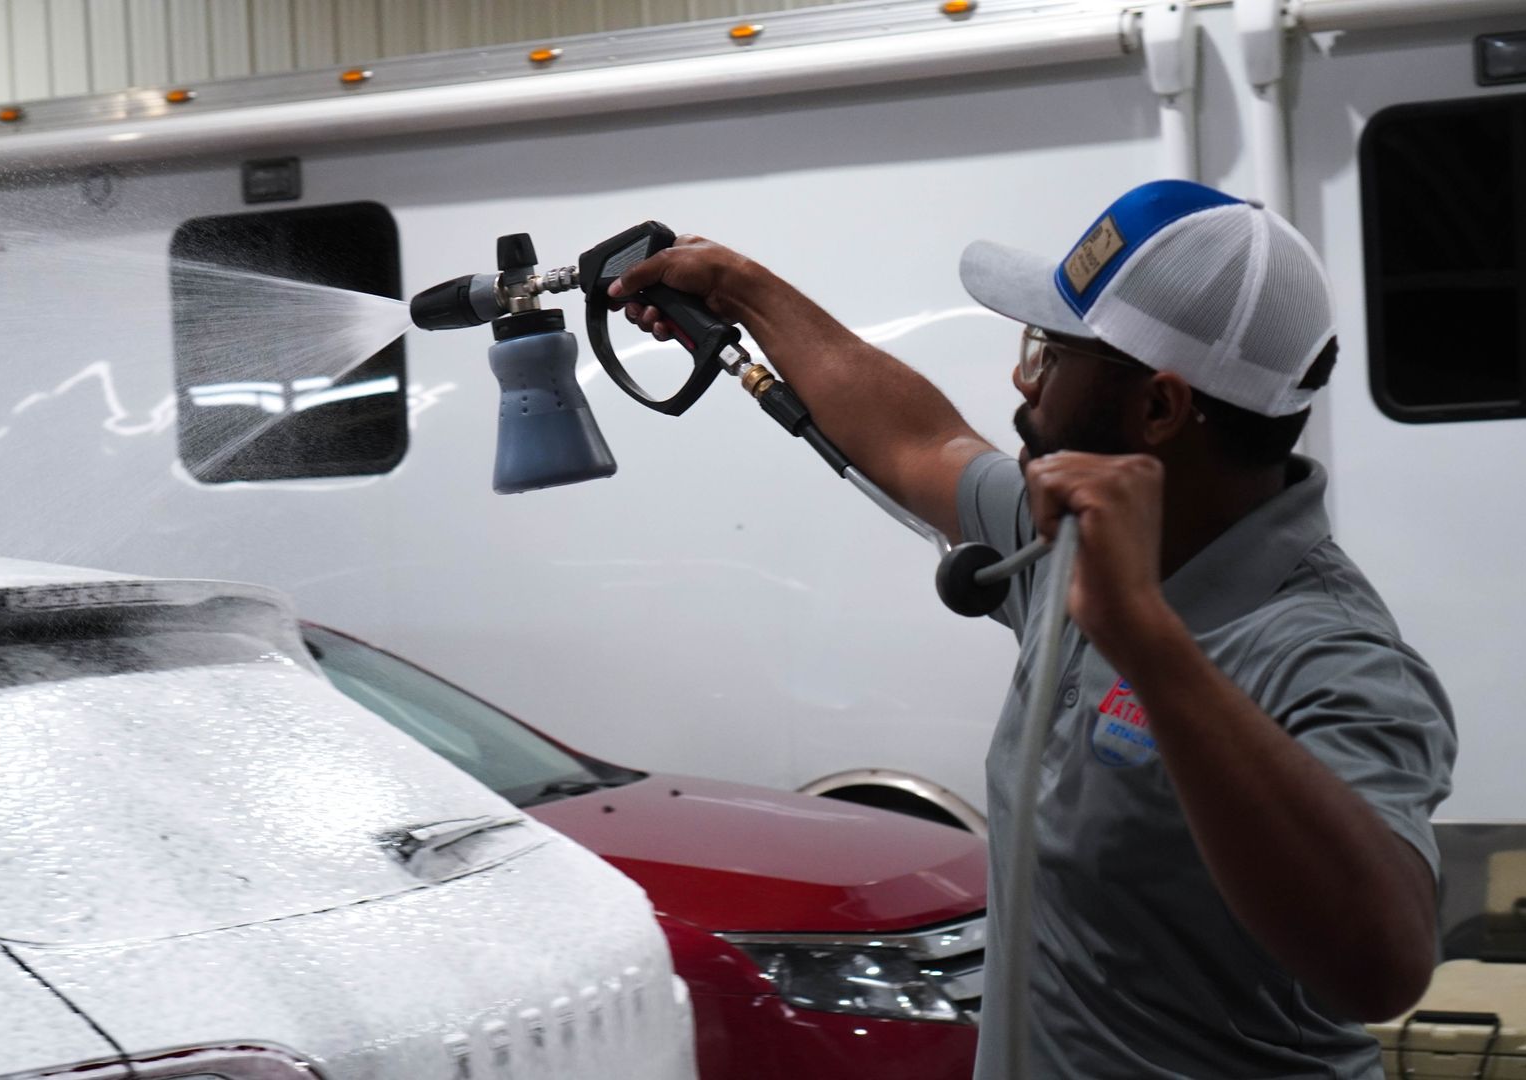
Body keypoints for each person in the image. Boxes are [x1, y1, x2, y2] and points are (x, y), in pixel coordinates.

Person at [610, 180, 1457, 1078]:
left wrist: (1147, 642)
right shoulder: (1079, 535)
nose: (1024, 377)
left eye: (1051, 353)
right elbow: (922, 444)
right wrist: (742, 289)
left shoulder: (1327, 654)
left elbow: (1383, 967)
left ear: (1159, 410)